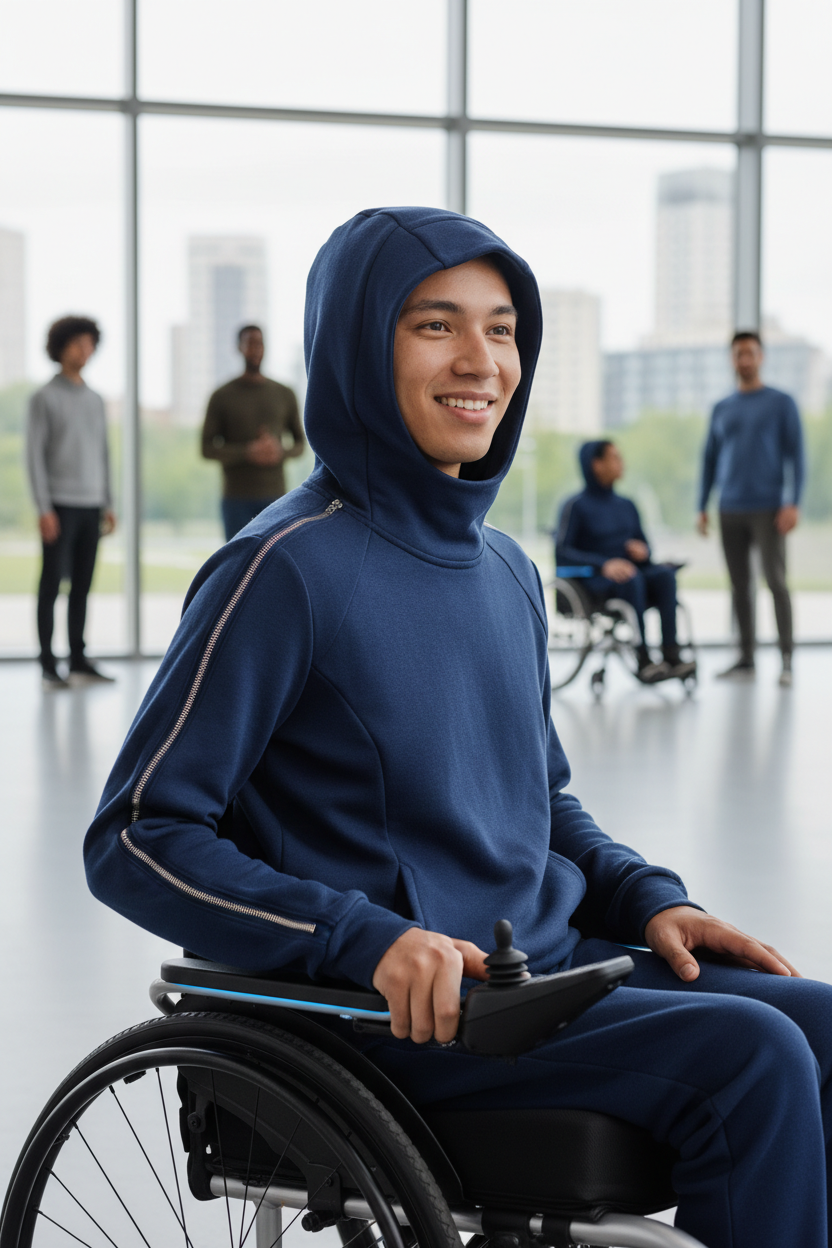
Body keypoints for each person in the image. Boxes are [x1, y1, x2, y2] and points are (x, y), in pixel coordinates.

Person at [85, 208, 832, 1248]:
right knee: (754, 1057)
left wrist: (653, 898)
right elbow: (133, 836)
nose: (481, 360)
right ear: (356, 342)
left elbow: (541, 802)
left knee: (818, 1016)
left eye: (504, 328)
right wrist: (362, 936)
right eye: (434, 326)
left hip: (543, 972)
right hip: (400, 1019)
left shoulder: (507, 572)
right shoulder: (283, 569)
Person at [697, 331, 804, 687]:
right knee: (740, 586)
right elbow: (709, 460)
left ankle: (786, 659)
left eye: (750, 353)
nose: (744, 359)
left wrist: (794, 502)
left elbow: (797, 458)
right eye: (738, 354)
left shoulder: (781, 403)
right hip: (730, 508)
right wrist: (702, 505)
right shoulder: (722, 408)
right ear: (732, 359)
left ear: (761, 357)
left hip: (770, 508)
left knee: (776, 582)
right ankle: (746, 658)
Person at [26, 315, 116, 690]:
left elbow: (103, 454)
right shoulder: (43, 397)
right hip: (58, 506)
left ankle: (78, 660)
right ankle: (49, 665)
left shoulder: (95, 400)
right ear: (61, 347)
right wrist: (43, 508)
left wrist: (108, 503)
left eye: (89, 343)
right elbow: (33, 456)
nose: (85, 350)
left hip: (91, 505)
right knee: (51, 586)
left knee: (82, 585)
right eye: (78, 343)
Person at [557, 439, 695, 683]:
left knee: (664, 576)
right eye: (615, 458)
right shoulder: (576, 506)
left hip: (633, 574)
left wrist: (643, 551)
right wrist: (604, 565)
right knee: (631, 578)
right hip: (596, 579)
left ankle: (671, 654)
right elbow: (563, 552)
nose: (622, 464)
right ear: (596, 465)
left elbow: (645, 545)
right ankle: (643, 659)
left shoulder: (627, 505)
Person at [201, 324, 305, 541]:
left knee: (274, 564)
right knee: (237, 567)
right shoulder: (222, 396)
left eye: (259, 343)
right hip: (236, 499)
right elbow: (207, 449)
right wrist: (247, 452)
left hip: (277, 498)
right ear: (239, 348)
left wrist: (279, 451)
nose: (255, 349)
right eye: (249, 343)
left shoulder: (284, 393)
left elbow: (300, 445)